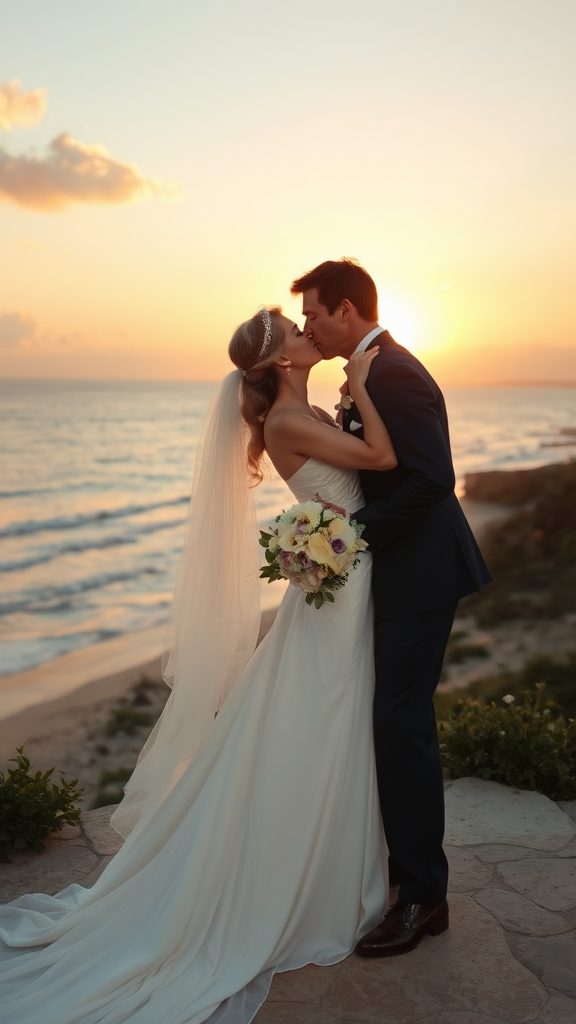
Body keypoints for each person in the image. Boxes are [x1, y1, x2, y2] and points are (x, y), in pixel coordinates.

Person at [0, 306, 398, 1024]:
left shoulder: (299, 408)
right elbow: (379, 462)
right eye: (298, 333)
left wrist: (344, 402)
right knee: (324, 720)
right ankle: (303, 881)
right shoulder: (284, 419)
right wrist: (364, 383)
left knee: (322, 723)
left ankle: (327, 865)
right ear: (281, 361)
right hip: (339, 595)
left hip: (338, 586)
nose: (312, 337)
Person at [291, 259, 493, 957]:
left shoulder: (394, 371)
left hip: (420, 575)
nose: (308, 325)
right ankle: (404, 875)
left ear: (347, 311)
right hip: (398, 573)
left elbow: (436, 478)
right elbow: (385, 466)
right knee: (389, 722)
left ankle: (423, 896)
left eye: (314, 313)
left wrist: (352, 535)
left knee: (400, 727)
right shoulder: (367, 371)